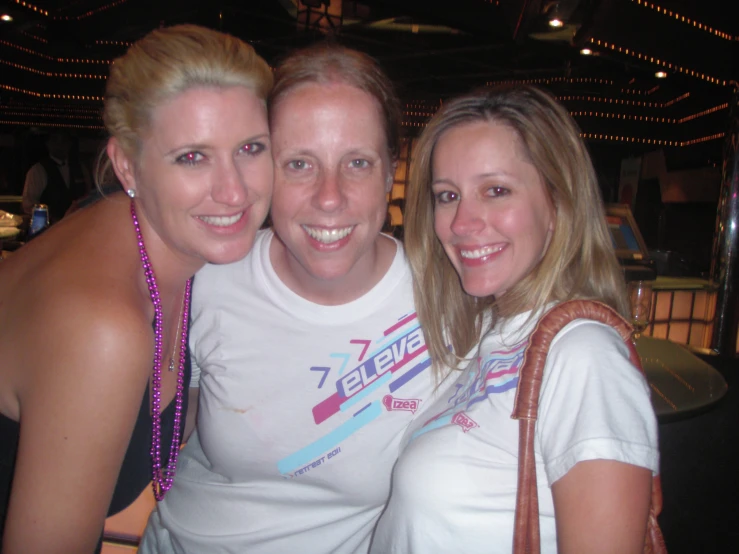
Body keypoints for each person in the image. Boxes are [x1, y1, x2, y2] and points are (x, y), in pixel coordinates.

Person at [139, 43, 440, 554]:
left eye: (358, 163)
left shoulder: (446, 302)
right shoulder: (210, 280)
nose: (329, 196)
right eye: (299, 164)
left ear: (391, 172)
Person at [0, 24, 273, 553]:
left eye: (250, 148)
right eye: (192, 157)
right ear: (126, 163)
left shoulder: (176, 255)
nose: (234, 190)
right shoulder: (103, 326)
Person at [371, 85, 660, 553]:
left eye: (496, 190)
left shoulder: (583, 356)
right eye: (448, 195)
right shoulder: (492, 335)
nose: (462, 222)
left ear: (558, 203)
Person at [21, 129, 91, 223]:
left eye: (64, 140)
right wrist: (50, 218)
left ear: (70, 144)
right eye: (55, 140)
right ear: (47, 143)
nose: (60, 144)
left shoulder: (81, 169)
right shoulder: (37, 171)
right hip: (50, 229)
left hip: (78, 226)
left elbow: (89, 197)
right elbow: (28, 204)